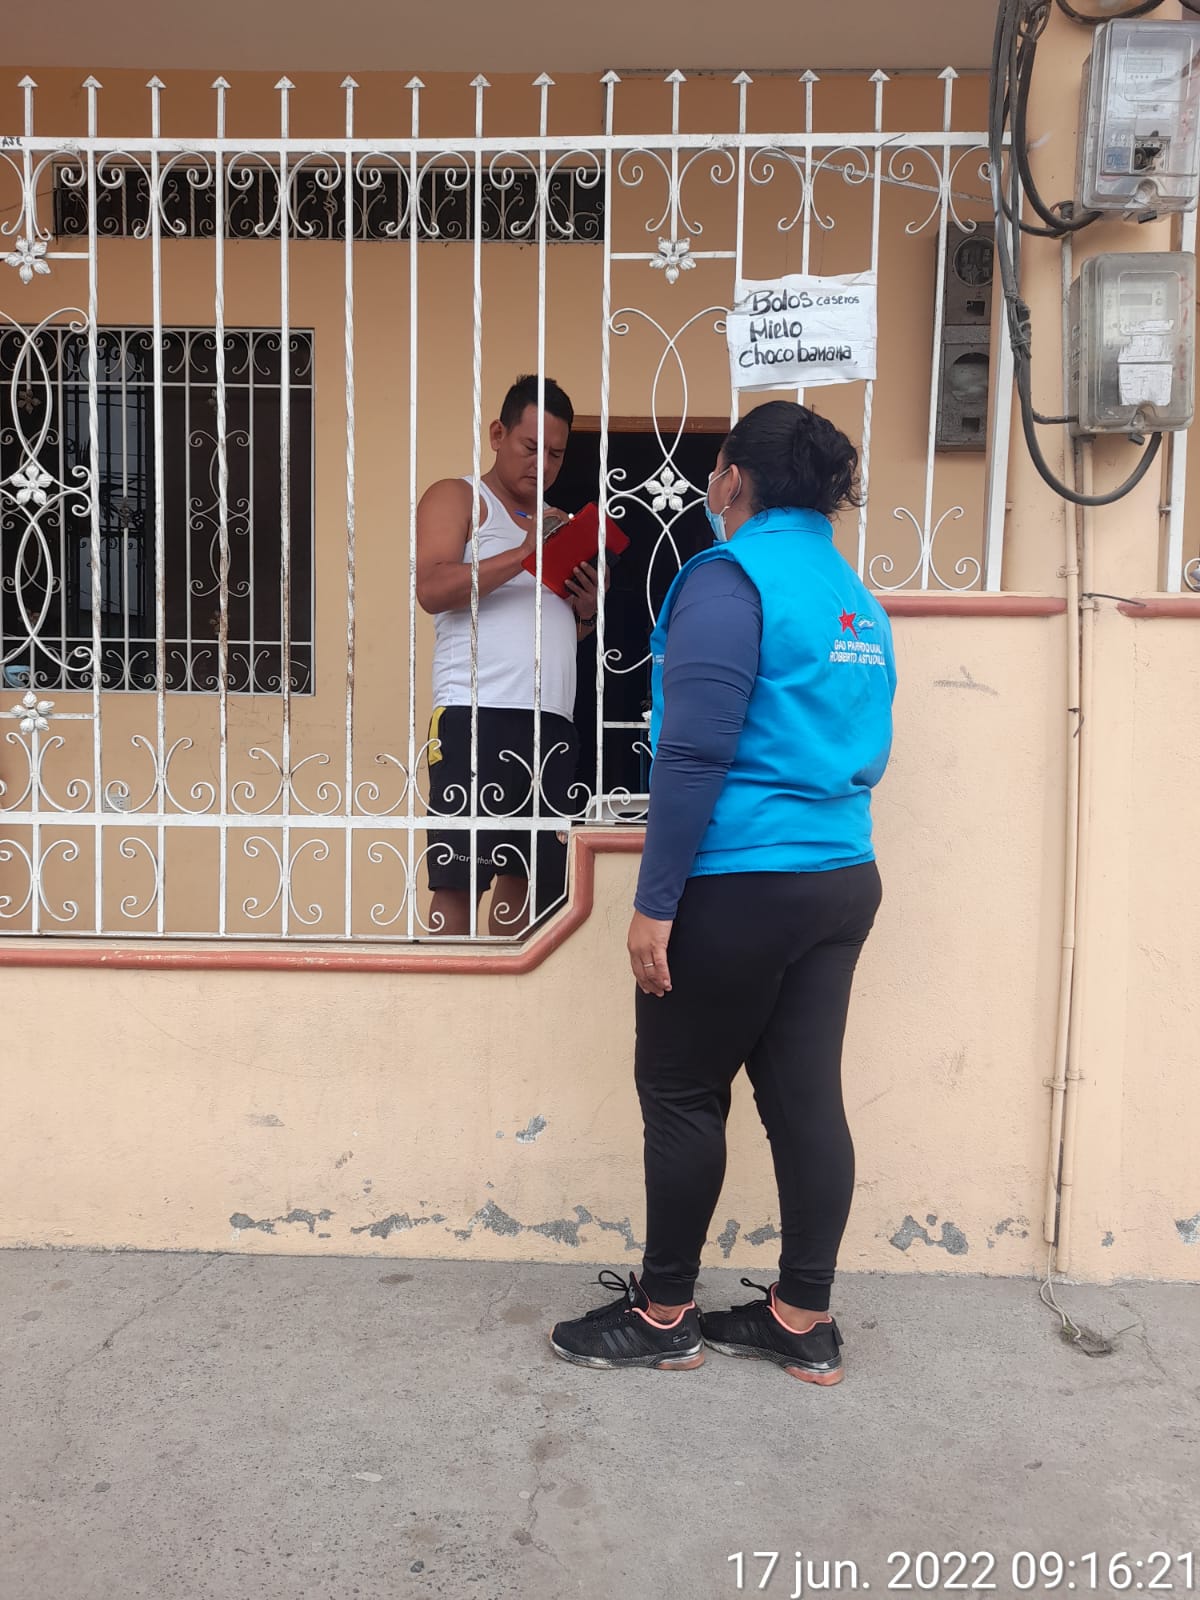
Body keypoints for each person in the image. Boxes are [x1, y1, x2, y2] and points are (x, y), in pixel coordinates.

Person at [549, 401, 896, 1383]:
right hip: (840, 876)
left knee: (681, 1090)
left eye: (719, 469)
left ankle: (664, 1314)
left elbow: (695, 754)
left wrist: (655, 902)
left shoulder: (727, 578)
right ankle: (802, 1317)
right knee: (805, 1099)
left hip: (742, 879)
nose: (712, 484)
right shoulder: (854, 598)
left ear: (736, 477)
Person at [415, 376, 602, 936]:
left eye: (556, 454)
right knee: (459, 879)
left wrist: (587, 611)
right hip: (477, 713)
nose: (542, 465)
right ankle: (445, 990)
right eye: (530, 447)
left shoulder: (559, 523)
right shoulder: (460, 497)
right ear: (498, 434)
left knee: (527, 882)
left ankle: (506, 991)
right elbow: (432, 588)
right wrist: (523, 553)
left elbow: (554, 632)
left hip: (552, 720)